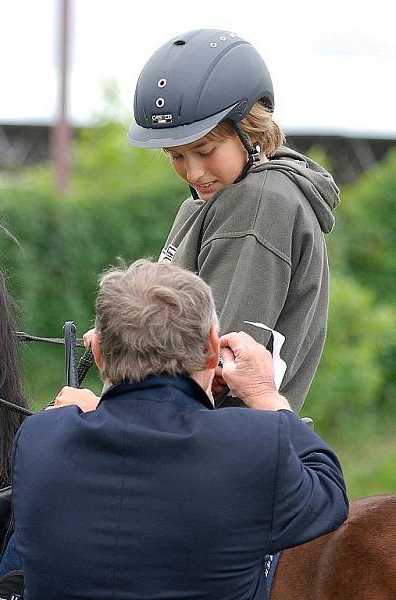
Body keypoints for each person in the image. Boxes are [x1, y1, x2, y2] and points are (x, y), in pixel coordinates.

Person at [8, 259, 347, 600]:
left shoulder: (39, 439)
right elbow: (329, 495)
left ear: (97, 352)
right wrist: (263, 391)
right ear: (213, 348)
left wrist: (80, 414)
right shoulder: (255, 444)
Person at [79, 29, 339, 411]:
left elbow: (205, 374)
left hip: (212, 450)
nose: (194, 172)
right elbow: (172, 335)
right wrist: (124, 338)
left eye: (206, 150)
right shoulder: (213, 202)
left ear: (250, 129)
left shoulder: (257, 206)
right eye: (176, 156)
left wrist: (92, 416)